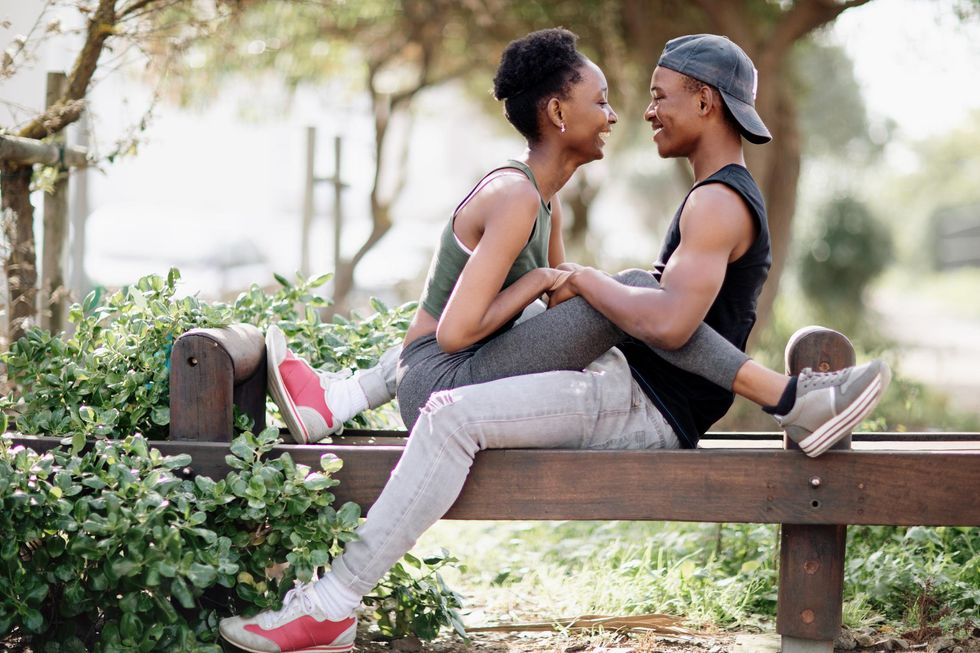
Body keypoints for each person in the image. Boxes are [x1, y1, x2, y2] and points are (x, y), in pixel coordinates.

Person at [220, 32, 890, 653]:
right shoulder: (543, 194)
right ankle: (792, 399)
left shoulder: (700, 202)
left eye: (657, 96)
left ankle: (333, 577)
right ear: (558, 112)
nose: (636, 112)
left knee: (620, 295)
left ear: (706, 101)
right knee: (625, 289)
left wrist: (585, 282)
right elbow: (478, 326)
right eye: (611, 100)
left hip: (625, 400)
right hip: (541, 382)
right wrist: (568, 282)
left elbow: (654, 324)